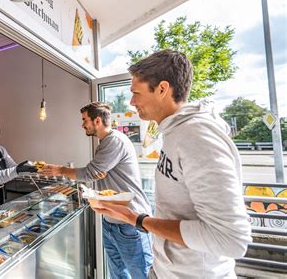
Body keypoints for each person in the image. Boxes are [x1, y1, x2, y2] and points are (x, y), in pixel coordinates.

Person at [92, 50, 252, 278]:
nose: (131, 102)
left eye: (136, 93)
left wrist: (136, 219)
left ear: (162, 89)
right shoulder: (175, 133)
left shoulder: (197, 136)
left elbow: (230, 239)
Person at [42, 102, 153, 279]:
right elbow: (95, 174)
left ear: (98, 120)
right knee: (118, 274)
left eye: (85, 120)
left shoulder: (114, 141)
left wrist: (60, 170)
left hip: (129, 221)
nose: (82, 124)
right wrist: (92, 176)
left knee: (142, 274)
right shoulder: (104, 143)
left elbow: (90, 172)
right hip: (111, 221)